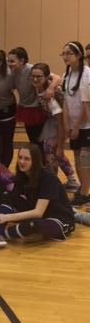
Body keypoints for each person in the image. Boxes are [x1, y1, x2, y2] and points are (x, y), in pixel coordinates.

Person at [0, 144, 75, 249]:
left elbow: (38, 212)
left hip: (59, 219)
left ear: (35, 161)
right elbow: (11, 199)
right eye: (20, 157)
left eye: (26, 159)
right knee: (8, 200)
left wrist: (6, 217)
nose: (22, 161)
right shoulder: (21, 176)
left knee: (33, 225)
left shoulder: (48, 178)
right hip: (39, 216)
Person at [30, 63, 79, 191]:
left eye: (39, 77)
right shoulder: (40, 87)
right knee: (53, 153)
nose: (35, 79)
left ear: (47, 77)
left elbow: (60, 122)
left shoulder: (51, 97)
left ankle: (54, 183)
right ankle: (71, 180)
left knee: (51, 152)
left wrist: (61, 145)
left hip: (61, 123)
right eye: (33, 76)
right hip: (52, 121)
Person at [61, 41, 90, 205]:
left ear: (78, 55)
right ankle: (83, 188)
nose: (65, 56)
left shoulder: (87, 75)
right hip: (73, 125)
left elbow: (87, 104)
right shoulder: (66, 75)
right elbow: (65, 102)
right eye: (63, 53)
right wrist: (67, 125)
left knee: (85, 156)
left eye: (69, 53)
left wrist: (77, 126)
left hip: (86, 124)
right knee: (77, 156)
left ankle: (85, 192)